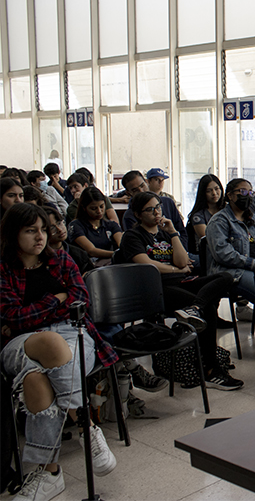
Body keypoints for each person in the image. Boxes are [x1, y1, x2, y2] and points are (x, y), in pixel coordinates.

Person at [1, 204, 118, 500]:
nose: (40, 237)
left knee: (36, 381)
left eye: (42, 229)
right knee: (50, 343)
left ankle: (49, 473)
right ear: (13, 235)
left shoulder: (61, 258)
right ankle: (85, 423)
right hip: (22, 342)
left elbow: (80, 300)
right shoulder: (2, 268)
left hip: (73, 332)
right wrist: (56, 300)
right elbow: (13, 318)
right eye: (30, 231)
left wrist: (38, 310)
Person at [119, 192, 241, 390]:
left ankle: (195, 307)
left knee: (225, 277)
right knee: (209, 308)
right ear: (138, 214)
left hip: (180, 281)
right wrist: (176, 270)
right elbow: (147, 265)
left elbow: (183, 261)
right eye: (150, 210)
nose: (156, 212)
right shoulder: (132, 236)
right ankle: (211, 370)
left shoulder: (165, 233)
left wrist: (174, 232)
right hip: (156, 288)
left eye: (158, 207)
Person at [206, 178, 255, 305]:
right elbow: (223, 253)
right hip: (230, 273)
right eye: (243, 192)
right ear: (230, 195)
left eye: (250, 193)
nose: (247, 196)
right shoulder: (219, 221)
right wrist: (253, 264)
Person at [121, 170, 188, 251]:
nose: (141, 191)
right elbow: (136, 244)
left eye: (142, 186)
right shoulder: (130, 215)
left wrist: (183, 251)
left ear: (146, 182)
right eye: (135, 190)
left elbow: (182, 232)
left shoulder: (168, 202)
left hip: (179, 251)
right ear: (128, 193)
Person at [68, 186, 123, 267]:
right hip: (87, 267)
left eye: (101, 206)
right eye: (93, 208)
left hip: (110, 265)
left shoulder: (111, 225)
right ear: (84, 208)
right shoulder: (75, 226)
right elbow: (91, 251)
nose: (99, 211)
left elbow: (121, 244)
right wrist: (116, 254)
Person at [185, 174, 225, 255]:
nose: (214, 193)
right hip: (205, 255)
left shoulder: (227, 210)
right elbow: (207, 238)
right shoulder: (198, 216)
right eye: (209, 191)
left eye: (216, 189)